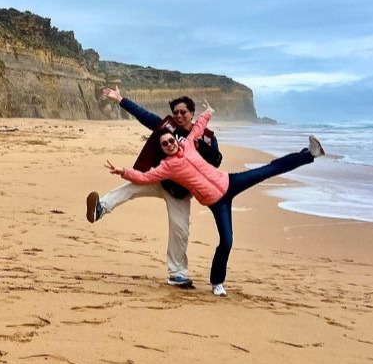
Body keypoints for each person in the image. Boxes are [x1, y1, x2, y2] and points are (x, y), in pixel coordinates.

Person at [105, 101, 325, 297]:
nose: (170, 144)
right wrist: (123, 171)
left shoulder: (190, 143)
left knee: (269, 169)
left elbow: (199, 127)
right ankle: (217, 282)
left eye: (171, 141)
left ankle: (310, 154)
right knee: (227, 241)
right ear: (162, 149)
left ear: (176, 140)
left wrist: (208, 111)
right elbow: (144, 177)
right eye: (165, 144)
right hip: (217, 203)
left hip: (231, 182)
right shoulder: (167, 167)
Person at [86, 87, 222, 289]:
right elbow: (145, 116)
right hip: (159, 178)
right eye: (175, 112)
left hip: (180, 192)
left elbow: (217, 161)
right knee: (130, 188)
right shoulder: (167, 127)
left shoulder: (206, 136)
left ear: (192, 114)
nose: (178, 116)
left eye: (182, 112)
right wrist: (121, 99)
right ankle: (100, 208)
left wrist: (201, 144)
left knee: (180, 232)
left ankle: (177, 275)